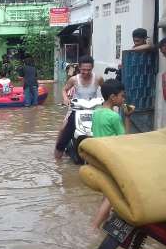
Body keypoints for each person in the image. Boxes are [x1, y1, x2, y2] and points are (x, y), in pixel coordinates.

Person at [89, 79, 134, 230]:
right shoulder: (114, 117)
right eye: (122, 96)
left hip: (99, 159)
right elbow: (125, 140)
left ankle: (104, 223)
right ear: (112, 97)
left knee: (108, 193)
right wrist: (127, 117)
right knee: (112, 196)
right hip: (111, 160)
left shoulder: (96, 112)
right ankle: (94, 228)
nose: (124, 99)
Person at [54, 55, 104, 159]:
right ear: (79, 68)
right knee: (63, 128)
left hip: (93, 109)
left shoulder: (98, 78)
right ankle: (57, 153)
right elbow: (64, 90)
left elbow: (105, 91)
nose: (86, 72)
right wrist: (65, 99)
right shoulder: (74, 79)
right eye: (83, 70)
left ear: (93, 68)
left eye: (89, 70)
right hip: (76, 109)